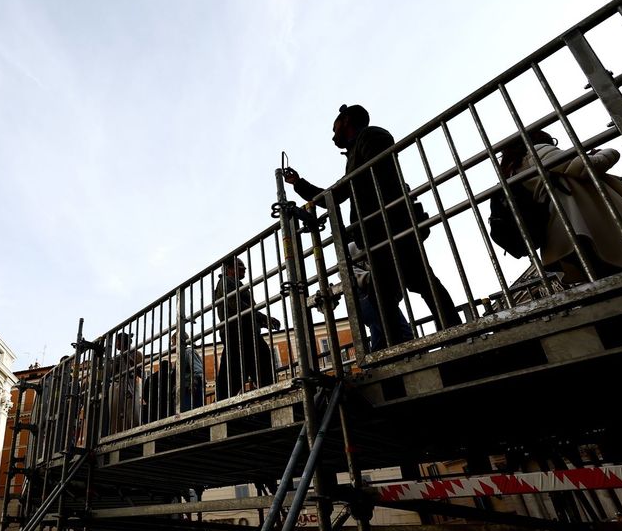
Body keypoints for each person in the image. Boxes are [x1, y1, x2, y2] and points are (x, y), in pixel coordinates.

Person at [282, 104, 461, 348]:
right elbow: (341, 191)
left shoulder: (371, 136)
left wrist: (305, 186)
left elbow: (345, 189)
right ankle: (412, 344)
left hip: (389, 225)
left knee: (418, 283)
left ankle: (448, 335)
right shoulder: (359, 148)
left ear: (345, 120)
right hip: (380, 229)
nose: (332, 134)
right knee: (395, 292)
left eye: (334, 127)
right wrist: (299, 183)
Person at [499, 130, 622, 284]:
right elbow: (587, 166)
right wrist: (608, 152)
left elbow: (569, 168)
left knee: (614, 280)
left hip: (561, 234)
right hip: (581, 225)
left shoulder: (513, 171)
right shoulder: (536, 151)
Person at [214, 257, 281, 401]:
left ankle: (269, 396)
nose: (244, 269)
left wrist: (262, 320)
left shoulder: (235, 283)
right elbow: (236, 305)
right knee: (253, 365)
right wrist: (263, 318)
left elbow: (246, 310)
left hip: (243, 331)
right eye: (240, 266)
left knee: (238, 371)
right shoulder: (227, 282)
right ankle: (270, 396)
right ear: (228, 269)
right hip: (239, 332)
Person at [169, 331, 204, 411]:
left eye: (173, 341)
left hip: (189, 390)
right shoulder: (179, 357)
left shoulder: (188, 352)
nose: (172, 344)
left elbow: (198, 371)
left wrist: (193, 383)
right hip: (182, 391)